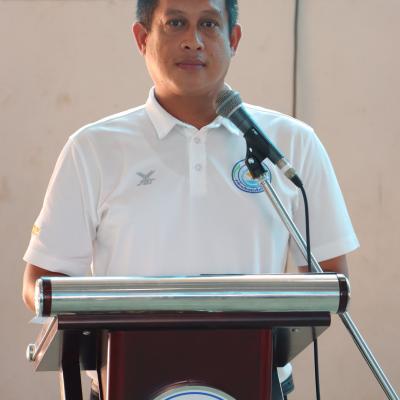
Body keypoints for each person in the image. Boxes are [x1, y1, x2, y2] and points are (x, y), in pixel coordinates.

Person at [22, 0, 359, 398]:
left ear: (234, 39)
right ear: (142, 38)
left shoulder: (289, 144)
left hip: (254, 379)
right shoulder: (94, 149)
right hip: (129, 380)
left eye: (210, 25)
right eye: (176, 23)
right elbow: (41, 283)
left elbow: (329, 276)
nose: (193, 41)